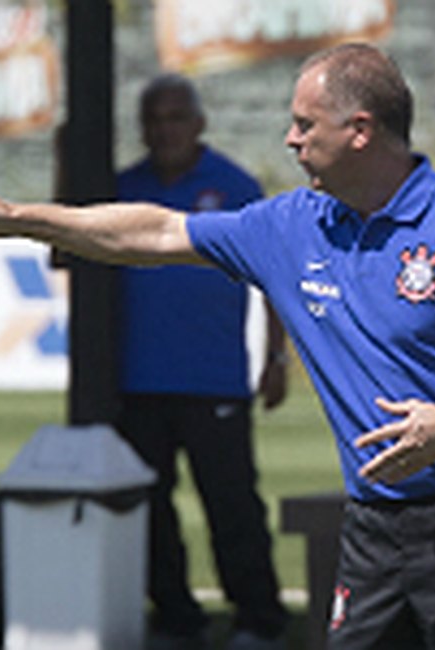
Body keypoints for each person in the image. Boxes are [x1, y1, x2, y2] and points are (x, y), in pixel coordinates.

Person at [0, 42, 435, 650]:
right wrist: (14, 218)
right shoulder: (291, 225)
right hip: (371, 529)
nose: (289, 140)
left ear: (360, 131)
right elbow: (156, 230)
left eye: (304, 124)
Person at [113, 74, 289, 650]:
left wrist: (275, 357)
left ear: (199, 122)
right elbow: (68, 261)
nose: (165, 130)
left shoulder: (234, 184)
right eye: (154, 119)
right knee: (151, 513)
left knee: (232, 506)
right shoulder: (121, 188)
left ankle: (258, 620)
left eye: (175, 117)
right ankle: (177, 619)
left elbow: (274, 278)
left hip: (213, 377)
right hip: (136, 380)